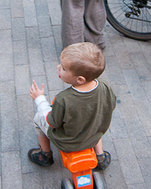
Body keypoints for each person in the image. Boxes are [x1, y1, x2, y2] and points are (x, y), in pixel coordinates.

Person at [28, 42, 117, 170]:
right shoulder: (105, 86)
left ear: (80, 79)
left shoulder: (63, 99)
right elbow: (111, 105)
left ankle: (45, 155)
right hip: (94, 134)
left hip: (67, 143)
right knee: (95, 121)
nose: (58, 67)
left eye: (63, 68)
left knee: (38, 118)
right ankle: (100, 157)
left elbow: (52, 122)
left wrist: (40, 99)